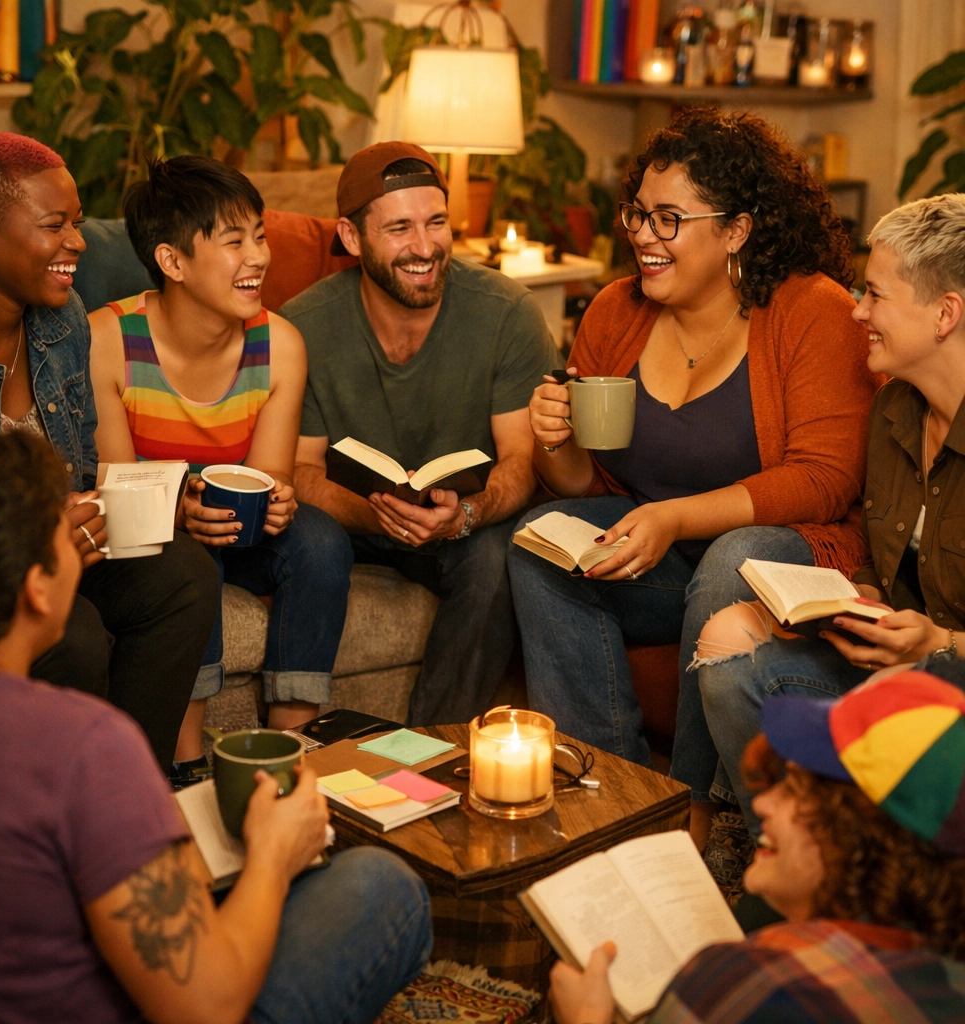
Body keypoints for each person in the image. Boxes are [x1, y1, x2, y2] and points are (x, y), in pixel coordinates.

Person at [0, 432, 432, 1024]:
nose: (85, 541)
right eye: (68, 534)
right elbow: (206, 1007)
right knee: (381, 885)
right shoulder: (86, 745)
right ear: (37, 590)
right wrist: (274, 857)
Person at [506, 107, 877, 847]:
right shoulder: (616, 311)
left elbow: (825, 481)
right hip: (656, 556)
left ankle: (687, 800)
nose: (643, 234)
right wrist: (552, 439)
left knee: (729, 557)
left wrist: (676, 517)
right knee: (535, 538)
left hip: (777, 559)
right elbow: (585, 486)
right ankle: (607, 783)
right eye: (638, 213)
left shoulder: (812, 311)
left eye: (669, 218)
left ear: (735, 230)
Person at [0, 133, 219, 773]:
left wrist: (151, 504)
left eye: (77, 221)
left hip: (60, 549)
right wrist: (34, 539)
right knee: (75, 636)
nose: (79, 242)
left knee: (184, 576)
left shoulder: (63, 322)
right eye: (54, 225)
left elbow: (83, 470)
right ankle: (62, 806)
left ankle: (132, 785)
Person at [695, 192, 965, 833]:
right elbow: (882, 560)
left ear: (945, 314)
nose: (857, 311)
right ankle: (778, 849)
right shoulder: (895, 410)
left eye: (875, 295)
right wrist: (862, 601)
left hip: (946, 678)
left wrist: (942, 643)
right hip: (906, 666)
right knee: (728, 648)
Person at [88, 155, 353, 782]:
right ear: (173, 261)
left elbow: (268, 477)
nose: (258, 256)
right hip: (159, 534)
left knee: (321, 539)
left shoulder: (279, 345)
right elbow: (116, 487)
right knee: (185, 554)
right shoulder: (109, 340)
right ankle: (185, 757)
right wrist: (180, 510)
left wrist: (280, 501)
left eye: (258, 235)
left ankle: (293, 747)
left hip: (238, 528)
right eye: (234, 241)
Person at [284, 141, 560, 726]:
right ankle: (300, 736)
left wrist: (467, 513)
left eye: (436, 222)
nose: (425, 247)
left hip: (459, 523)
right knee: (310, 537)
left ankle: (433, 747)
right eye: (400, 228)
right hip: (351, 521)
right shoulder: (303, 324)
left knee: (498, 558)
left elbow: (520, 459)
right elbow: (299, 470)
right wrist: (373, 512)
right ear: (352, 238)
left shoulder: (506, 311)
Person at [548, 669, 965, 1024]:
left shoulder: (748, 983)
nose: (762, 802)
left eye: (797, 790)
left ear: (862, 837)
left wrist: (588, 1017)